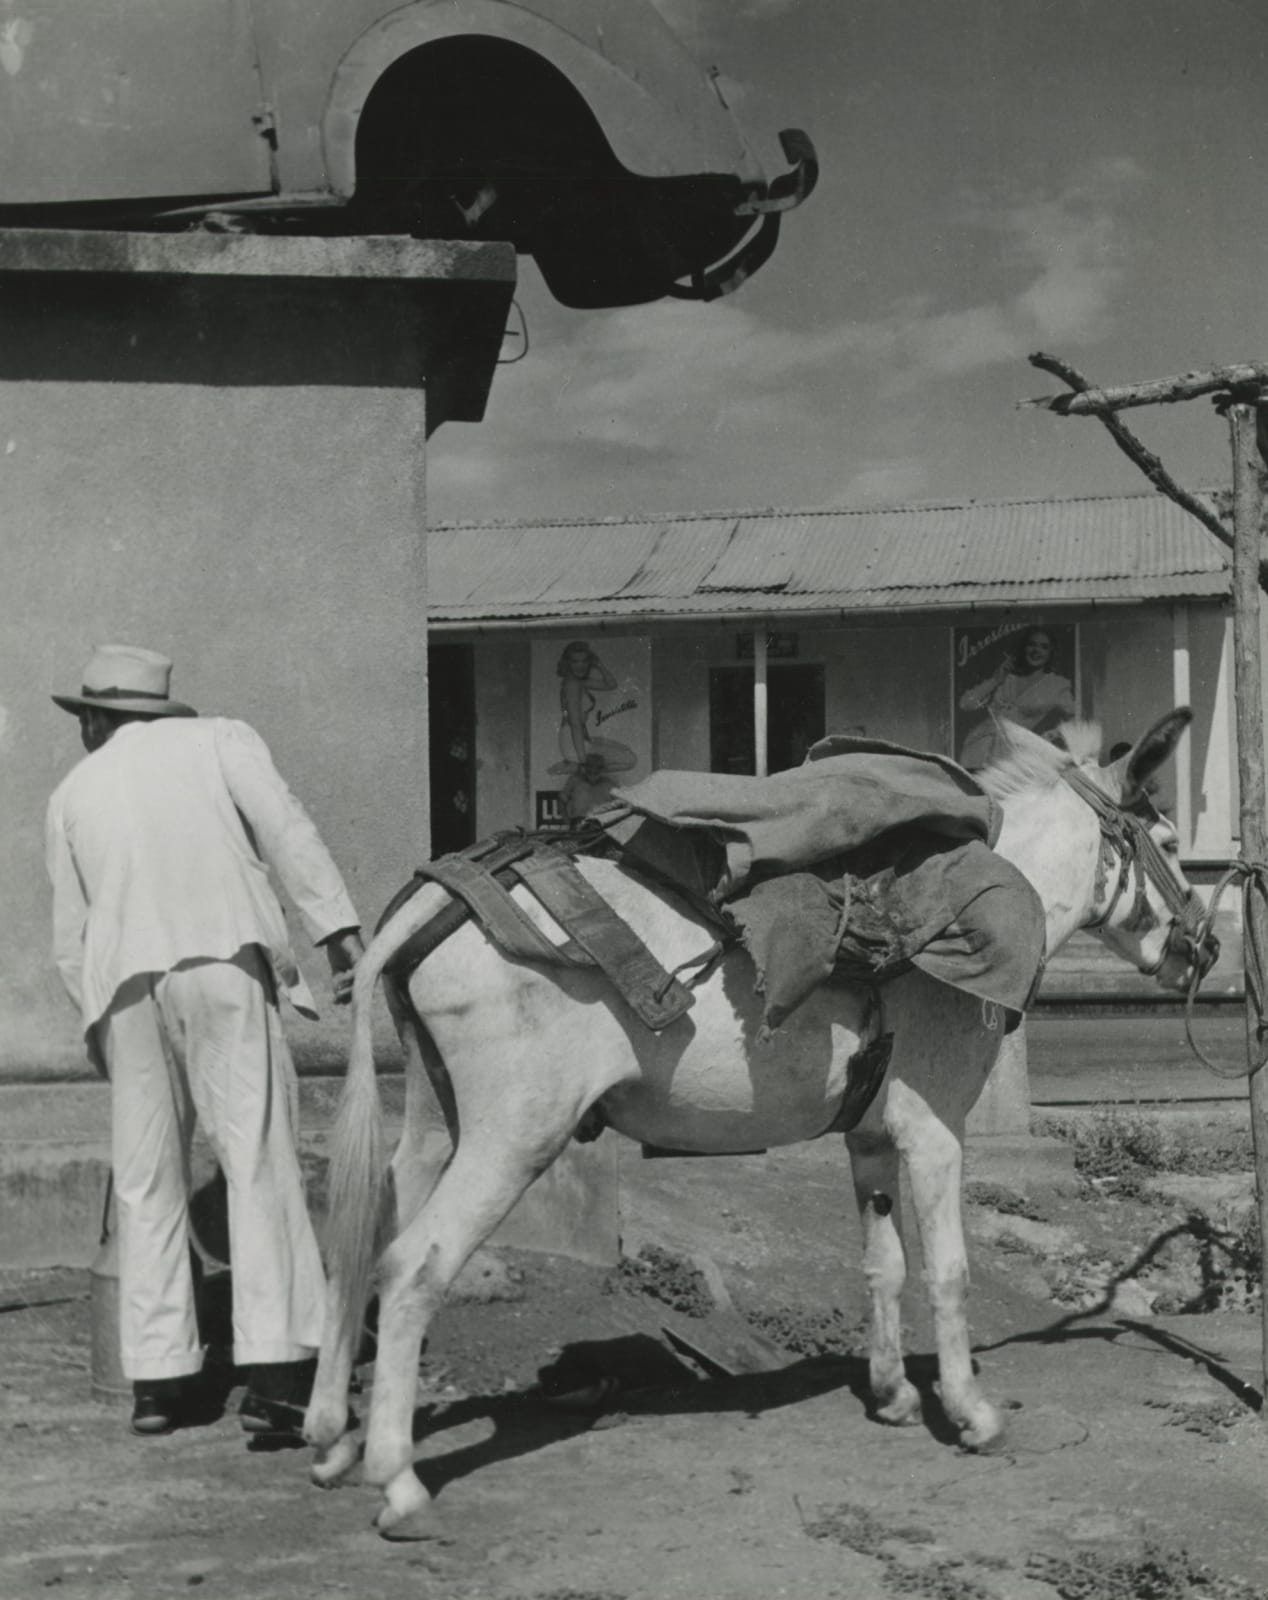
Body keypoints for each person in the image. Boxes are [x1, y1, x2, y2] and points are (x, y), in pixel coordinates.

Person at [45, 644, 365, 1439]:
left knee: (146, 1179)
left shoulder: (73, 790)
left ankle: (157, 1384)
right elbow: (288, 830)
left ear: (95, 718)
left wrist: (99, 1025)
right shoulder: (222, 739)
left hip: (124, 986)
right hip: (221, 966)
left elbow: (68, 937)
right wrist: (338, 930)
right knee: (255, 1156)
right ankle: (281, 1377)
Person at [957, 626, 1076, 770]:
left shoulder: (1057, 685)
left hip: (1012, 757)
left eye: (1044, 647)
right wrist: (995, 680)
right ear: (1023, 647)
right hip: (976, 748)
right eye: (1031, 644)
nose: (1036, 651)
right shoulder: (1006, 678)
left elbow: (1075, 720)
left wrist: (1049, 736)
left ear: (1051, 653)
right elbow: (965, 704)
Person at [548, 640, 637, 782]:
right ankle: (576, 766)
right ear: (567, 663)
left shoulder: (578, 681)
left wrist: (599, 664)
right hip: (574, 740)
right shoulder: (572, 685)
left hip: (579, 738)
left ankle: (574, 764)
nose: (580, 666)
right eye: (575, 661)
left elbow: (611, 684)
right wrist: (583, 760)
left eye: (584, 661)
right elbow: (575, 724)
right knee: (630, 760)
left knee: (622, 748)